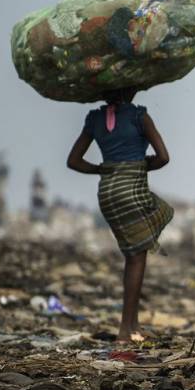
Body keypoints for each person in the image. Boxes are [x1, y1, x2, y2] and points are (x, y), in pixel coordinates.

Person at [67, 87, 173, 343]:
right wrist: (141, 165)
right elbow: (163, 158)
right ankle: (126, 330)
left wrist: (103, 169)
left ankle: (132, 324)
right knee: (139, 255)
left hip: (107, 193)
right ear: (131, 89)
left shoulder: (94, 119)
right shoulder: (140, 117)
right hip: (131, 190)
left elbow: (74, 161)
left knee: (132, 253)